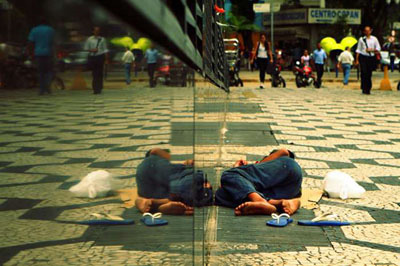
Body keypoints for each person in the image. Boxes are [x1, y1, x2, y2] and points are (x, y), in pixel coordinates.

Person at [215, 149, 302, 216]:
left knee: (229, 174)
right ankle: (282, 203)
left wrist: (237, 169)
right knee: (221, 195)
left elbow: (284, 152)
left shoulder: (270, 163)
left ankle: (260, 200)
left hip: (288, 168)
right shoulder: (259, 180)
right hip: (287, 193)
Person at [135, 148, 213, 215]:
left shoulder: (148, 163)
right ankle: (161, 204)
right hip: (177, 188)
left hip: (146, 188)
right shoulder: (156, 158)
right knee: (196, 184)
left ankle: (158, 203)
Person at [27, 17, 55, 95]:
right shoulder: (50, 30)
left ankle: (41, 89)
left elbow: (30, 42)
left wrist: (30, 53)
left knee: (40, 72)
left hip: (38, 53)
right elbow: (53, 43)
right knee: (49, 71)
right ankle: (48, 86)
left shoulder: (34, 30)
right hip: (48, 53)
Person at [355, 26, 381, 95]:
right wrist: (357, 60)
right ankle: (363, 87)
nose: (367, 32)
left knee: (369, 73)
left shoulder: (374, 39)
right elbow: (358, 50)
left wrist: (371, 50)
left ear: (371, 31)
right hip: (363, 57)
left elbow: (378, 49)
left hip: (371, 57)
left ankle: (368, 88)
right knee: (363, 72)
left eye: (368, 31)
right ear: (364, 32)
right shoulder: (361, 39)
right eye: (365, 31)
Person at [84, 26, 109, 94]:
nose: (97, 32)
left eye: (98, 31)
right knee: (94, 73)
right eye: (95, 30)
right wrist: (92, 50)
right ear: (93, 31)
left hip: (100, 57)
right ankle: (95, 88)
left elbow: (105, 50)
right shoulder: (89, 39)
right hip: (93, 57)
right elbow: (86, 48)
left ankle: (99, 88)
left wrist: (106, 59)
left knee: (100, 73)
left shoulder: (102, 39)